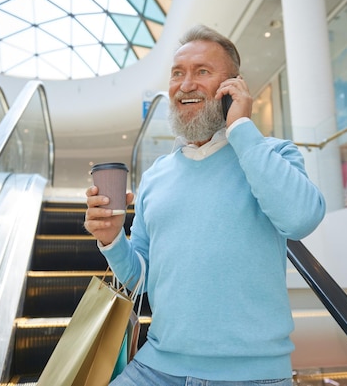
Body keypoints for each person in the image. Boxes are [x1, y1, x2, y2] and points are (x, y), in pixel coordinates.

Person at [84, 24, 326, 386]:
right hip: (156, 367)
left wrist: (241, 125)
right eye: (178, 73)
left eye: (202, 72)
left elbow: (301, 219)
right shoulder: (155, 176)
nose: (185, 84)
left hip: (252, 377)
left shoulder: (272, 154)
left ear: (233, 87)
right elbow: (140, 279)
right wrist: (112, 240)